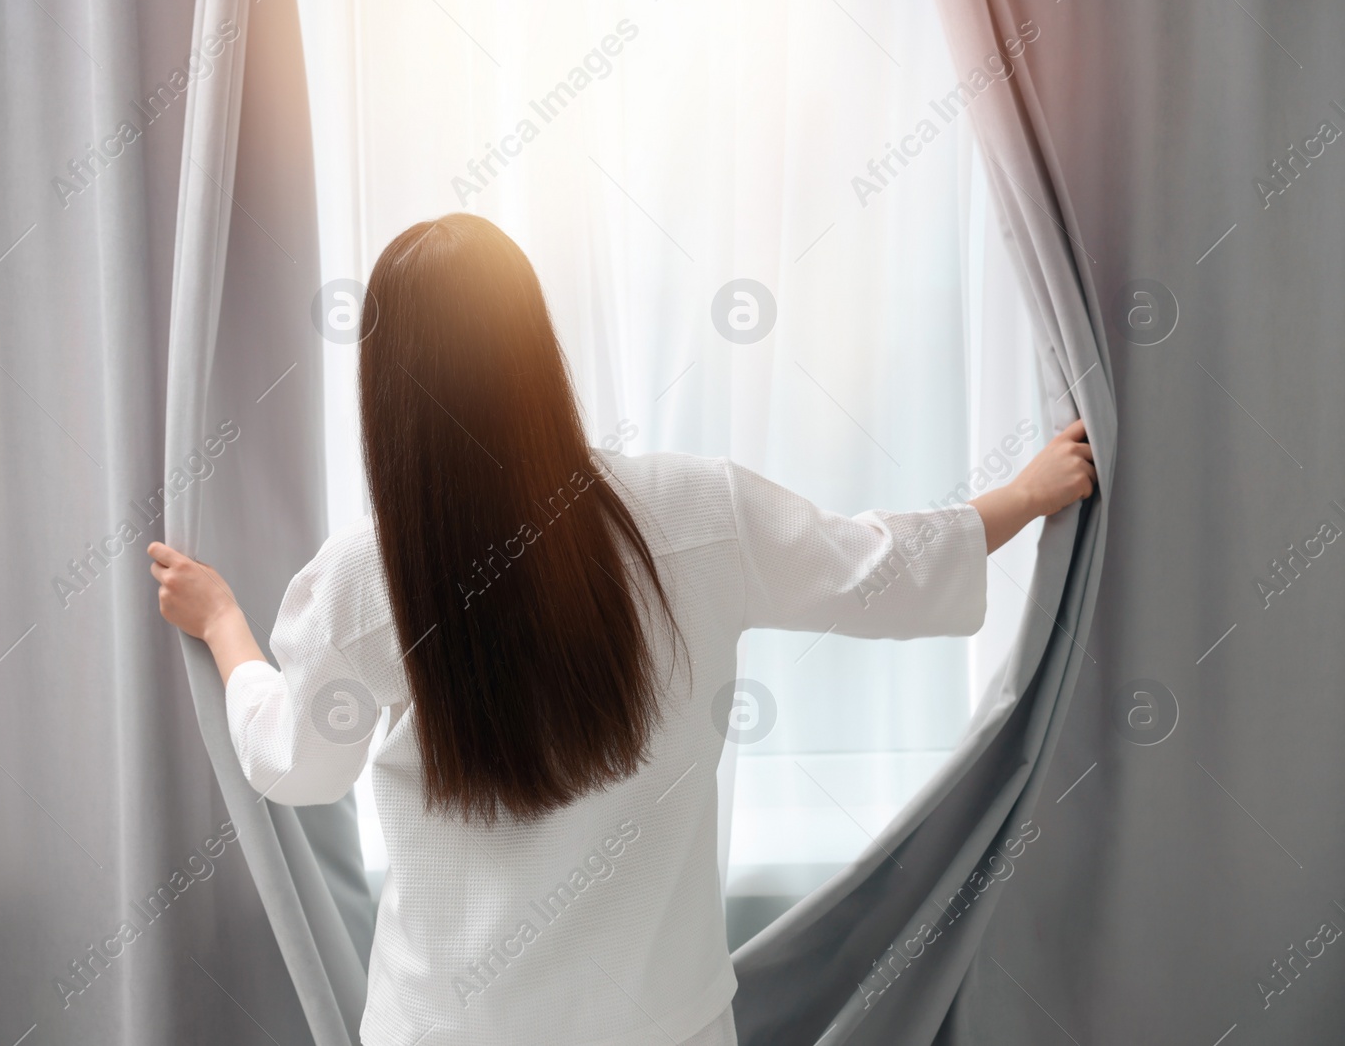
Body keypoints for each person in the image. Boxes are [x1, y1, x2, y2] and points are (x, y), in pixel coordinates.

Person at [149, 213, 1095, 1046]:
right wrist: (1018, 497)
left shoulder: (366, 582)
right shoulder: (696, 513)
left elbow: (298, 765)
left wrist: (227, 626)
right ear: (535, 356)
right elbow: (872, 572)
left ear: (389, 396)